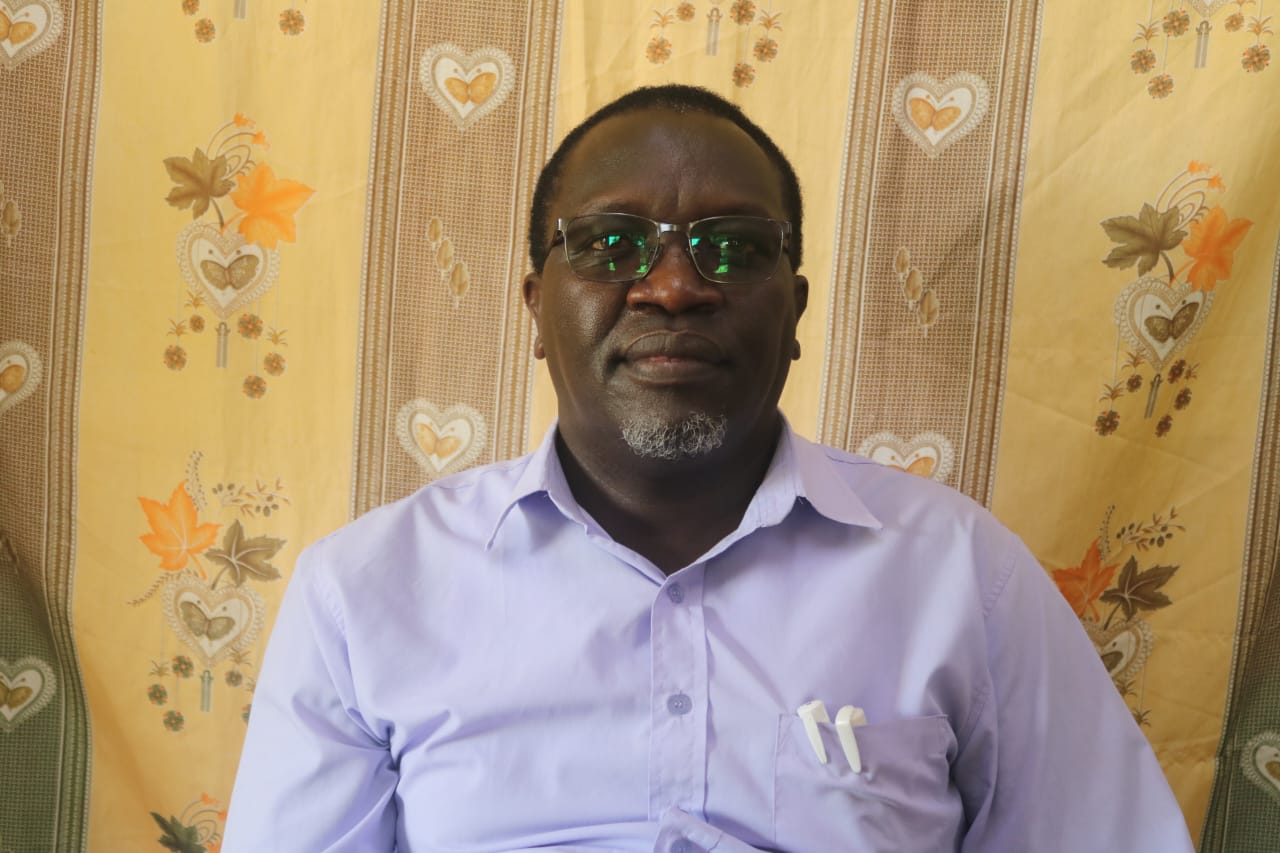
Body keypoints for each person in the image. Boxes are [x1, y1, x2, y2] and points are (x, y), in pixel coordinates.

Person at [223, 85, 1194, 851]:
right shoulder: (364, 593)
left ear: (794, 310)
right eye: (610, 244)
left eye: (732, 247)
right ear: (535, 307)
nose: (674, 287)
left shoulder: (959, 575)